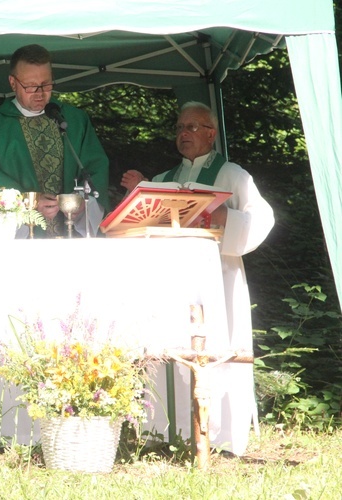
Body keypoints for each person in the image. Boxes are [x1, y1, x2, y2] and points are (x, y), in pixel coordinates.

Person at [120, 101, 275, 455]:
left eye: (192, 127)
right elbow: (146, 223)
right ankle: (164, 431)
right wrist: (139, 195)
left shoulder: (234, 175)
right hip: (170, 283)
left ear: (211, 133)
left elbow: (262, 219)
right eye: (179, 128)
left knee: (217, 347)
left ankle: (219, 435)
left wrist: (225, 217)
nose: (184, 134)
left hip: (218, 279)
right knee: (168, 345)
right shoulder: (162, 179)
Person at [0, 44, 110, 237]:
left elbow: (95, 169)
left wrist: (84, 204)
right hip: (19, 245)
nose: (40, 93)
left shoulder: (74, 120)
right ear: (13, 83)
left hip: (70, 241)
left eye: (46, 84)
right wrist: (28, 204)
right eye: (30, 86)